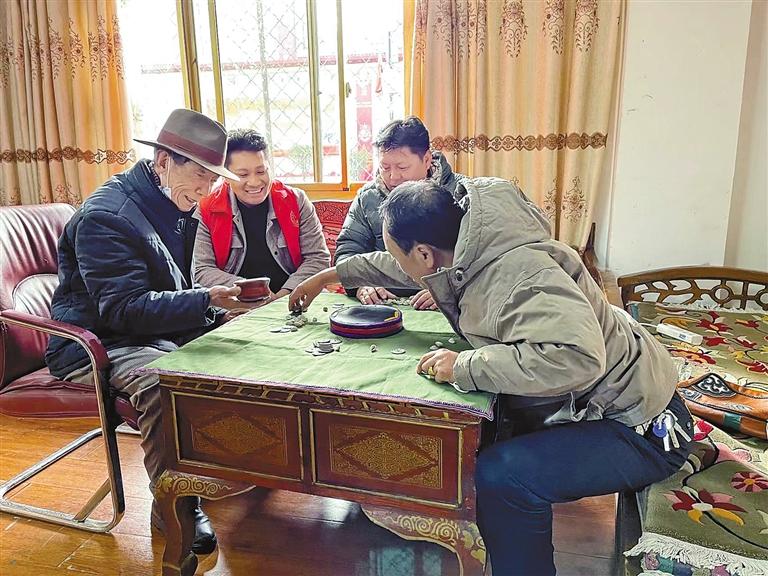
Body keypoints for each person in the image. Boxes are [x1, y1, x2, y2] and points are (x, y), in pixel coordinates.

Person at [289, 178, 693, 576]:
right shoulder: (474, 242)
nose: (402, 268)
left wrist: (463, 366)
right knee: (486, 430)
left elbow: (578, 358)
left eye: (403, 255)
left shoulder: (520, 276)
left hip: (644, 428)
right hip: (613, 399)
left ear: (426, 254)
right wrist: (328, 277)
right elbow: (397, 266)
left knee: (502, 475)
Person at [46, 109, 246, 555]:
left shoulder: (172, 201)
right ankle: (175, 503)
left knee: (242, 344)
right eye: (200, 175)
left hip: (148, 331)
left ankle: (233, 463)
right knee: (164, 383)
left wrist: (216, 314)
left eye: (213, 178)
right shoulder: (108, 217)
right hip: (98, 343)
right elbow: (122, 311)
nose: (207, 189)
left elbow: (170, 288)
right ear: (163, 161)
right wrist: (205, 301)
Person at [334, 116, 464, 310]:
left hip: (446, 306)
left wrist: (449, 288)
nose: (393, 177)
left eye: (402, 167)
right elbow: (348, 250)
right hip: (384, 302)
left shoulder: (460, 193)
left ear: (427, 159)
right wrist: (361, 284)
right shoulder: (367, 197)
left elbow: (477, 258)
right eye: (384, 167)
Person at [193, 129, 330, 300]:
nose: (254, 182)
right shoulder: (205, 209)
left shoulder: (296, 200)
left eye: (261, 171)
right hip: (237, 300)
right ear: (225, 176)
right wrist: (253, 292)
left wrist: (284, 296)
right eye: (243, 175)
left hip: (294, 296)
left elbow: (318, 258)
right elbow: (201, 269)